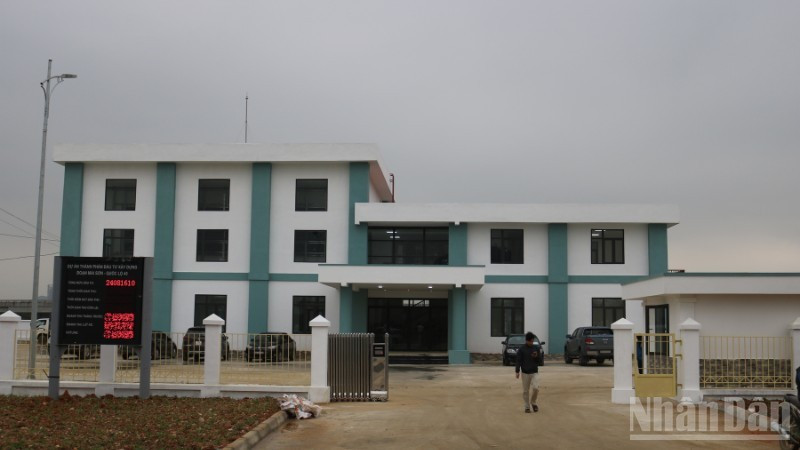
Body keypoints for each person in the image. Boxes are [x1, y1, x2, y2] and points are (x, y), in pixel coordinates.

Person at [515, 331, 541, 413]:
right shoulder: (521, 349)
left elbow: (540, 361)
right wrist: (517, 371)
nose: (532, 343)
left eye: (532, 341)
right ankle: (527, 407)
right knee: (526, 391)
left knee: (536, 388)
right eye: (530, 341)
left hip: (534, 372)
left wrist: (536, 356)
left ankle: (533, 402)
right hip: (525, 372)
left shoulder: (536, 348)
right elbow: (518, 360)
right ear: (526, 340)